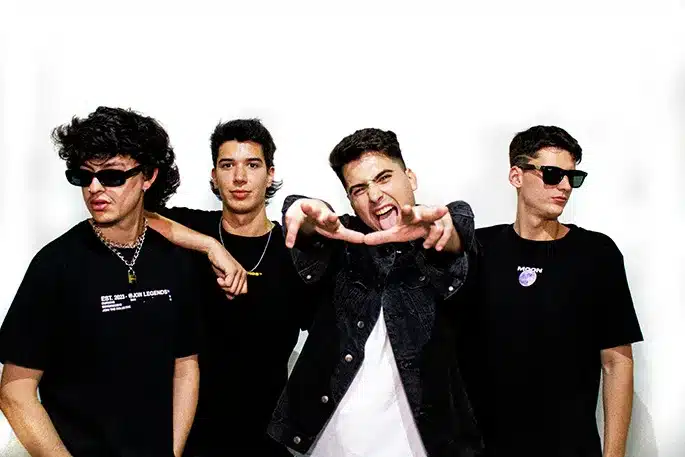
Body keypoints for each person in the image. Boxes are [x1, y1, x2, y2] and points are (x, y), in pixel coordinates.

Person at [266, 128, 483, 457]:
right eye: (359, 189)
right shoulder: (343, 240)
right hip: (330, 444)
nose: (375, 195)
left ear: (410, 177)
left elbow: (454, 237)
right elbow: (312, 229)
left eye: (384, 178)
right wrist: (303, 212)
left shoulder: (439, 238)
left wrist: (444, 233)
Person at [0, 106, 202, 457]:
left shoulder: (175, 260)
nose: (95, 188)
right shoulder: (55, 265)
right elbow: (15, 391)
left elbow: (185, 365)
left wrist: (171, 452)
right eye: (84, 176)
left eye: (112, 176)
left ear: (148, 176)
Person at [458, 125, 643, 457]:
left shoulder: (596, 254)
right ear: (516, 176)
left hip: (570, 447)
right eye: (553, 174)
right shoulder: (477, 249)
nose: (565, 186)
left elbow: (617, 363)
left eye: (573, 177)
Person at [145, 118, 320, 457]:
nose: (239, 178)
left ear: (269, 174)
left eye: (252, 165)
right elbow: (134, 217)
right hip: (187, 436)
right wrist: (210, 246)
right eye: (227, 165)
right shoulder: (191, 230)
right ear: (214, 175)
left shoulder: (294, 250)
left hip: (267, 439)